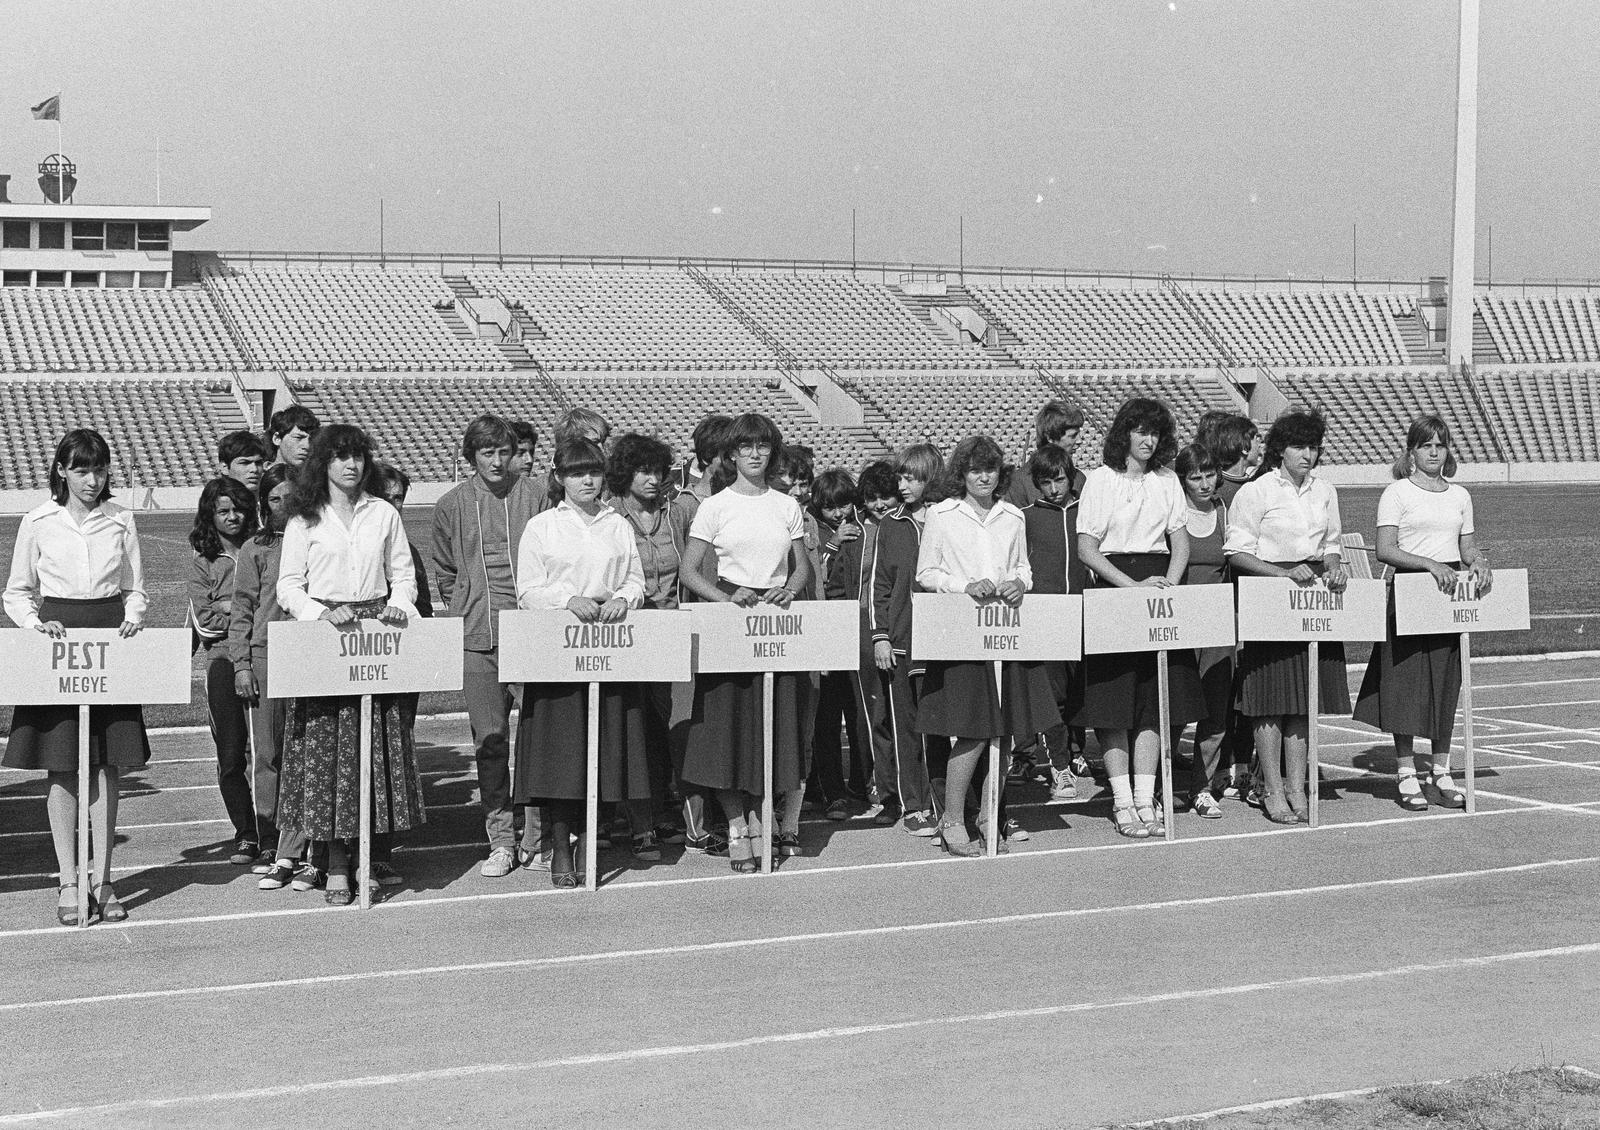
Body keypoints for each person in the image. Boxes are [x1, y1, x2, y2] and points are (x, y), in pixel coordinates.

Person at [4, 429, 148, 925]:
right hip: (58, 641)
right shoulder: (38, 521)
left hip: (109, 641)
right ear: (62, 471)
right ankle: (69, 879)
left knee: (106, 766)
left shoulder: (121, 519)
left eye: (100, 469)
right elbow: (17, 591)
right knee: (62, 765)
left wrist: (133, 616)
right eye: (82, 469)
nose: (92, 479)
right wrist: (34, 624)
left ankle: (103, 879)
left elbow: (134, 588)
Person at [276, 424, 424, 905]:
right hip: (325, 636)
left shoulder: (383, 513)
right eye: (340, 456)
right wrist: (320, 613)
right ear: (324, 463)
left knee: (371, 752)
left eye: (358, 456)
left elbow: (403, 575)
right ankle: (336, 861)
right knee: (326, 755)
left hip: (374, 635)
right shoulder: (305, 519)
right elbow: (289, 586)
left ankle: (366, 857)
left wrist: (397, 604)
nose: (351, 465)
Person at [678, 413, 812, 874]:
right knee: (726, 734)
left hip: (775, 622)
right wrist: (727, 598)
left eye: (763, 446)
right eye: (746, 447)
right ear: (732, 454)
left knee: (771, 729)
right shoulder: (714, 507)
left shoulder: (786, 505)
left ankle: (762, 820)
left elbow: (800, 567)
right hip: (731, 620)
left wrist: (789, 590)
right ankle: (737, 825)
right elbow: (689, 571)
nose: (755, 454)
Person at [916, 435, 1060, 856]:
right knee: (974, 733)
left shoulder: (1012, 516)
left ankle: (988, 814)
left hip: (1005, 632)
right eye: (975, 470)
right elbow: (927, 573)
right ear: (961, 474)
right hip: (962, 633)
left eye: (990, 469)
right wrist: (963, 585)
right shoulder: (942, 514)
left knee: (1005, 732)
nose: (983, 477)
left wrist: (1019, 583)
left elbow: (1024, 568)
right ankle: (952, 819)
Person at [514, 438, 648, 888]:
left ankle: (590, 840)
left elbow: (635, 579)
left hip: (607, 648)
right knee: (561, 756)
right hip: (559, 651)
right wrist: (567, 599)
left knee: (605, 749)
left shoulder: (617, 524)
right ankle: (559, 843)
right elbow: (528, 590)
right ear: (559, 477)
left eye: (593, 472)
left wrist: (623, 599)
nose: (587, 481)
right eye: (576, 473)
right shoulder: (542, 526)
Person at [1074, 397, 1205, 839]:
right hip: (1115, 587)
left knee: (1154, 700)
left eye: (1155, 433)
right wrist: (1131, 588)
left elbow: (1179, 542)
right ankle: (1122, 800)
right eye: (1140, 431)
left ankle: (1146, 798)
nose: (1148, 440)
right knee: (1113, 704)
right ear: (1124, 434)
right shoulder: (1100, 479)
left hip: (1157, 585)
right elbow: (1087, 549)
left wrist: (1167, 585)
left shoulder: (1167, 480)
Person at [1354, 415, 1492, 811]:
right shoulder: (1397, 492)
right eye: (1426, 445)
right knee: (1405, 686)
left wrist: (1479, 561)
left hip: (1448, 596)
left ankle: (1441, 771)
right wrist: (1429, 564)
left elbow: (1466, 547)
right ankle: (1405, 772)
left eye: (1440, 445)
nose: (1434, 452)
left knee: (1445, 684)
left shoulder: (1460, 495)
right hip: (1411, 590)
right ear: (1411, 451)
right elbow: (1386, 549)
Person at [431, 415, 545, 878]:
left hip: (532, 636)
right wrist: (466, 602)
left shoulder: (537, 495)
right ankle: (501, 839)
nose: (497, 462)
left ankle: (536, 837)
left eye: (504, 452)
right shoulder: (451, 504)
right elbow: (444, 570)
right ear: (471, 457)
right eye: (487, 453)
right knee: (490, 741)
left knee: (538, 739)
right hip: (478, 638)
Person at [1225, 408, 1350, 825]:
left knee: (1302, 702)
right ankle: (1272, 788)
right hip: (1270, 594)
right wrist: (1281, 574)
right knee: (1269, 702)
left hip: (1312, 596)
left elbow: (1331, 544)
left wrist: (1334, 567)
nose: (1307, 455)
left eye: (1313, 447)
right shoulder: (1256, 491)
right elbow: (1237, 552)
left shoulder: (1325, 490)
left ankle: (1297, 787)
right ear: (1280, 449)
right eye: (1299, 446)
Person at [607, 432, 696, 860]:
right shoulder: (610, 517)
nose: (653, 479)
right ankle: (639, 823)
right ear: (625, 474)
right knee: (634, 728)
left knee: (669, 728)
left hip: (671, 630)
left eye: (658, 471)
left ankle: (665, 814)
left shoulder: (676, 515)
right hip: (627, 633)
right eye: (643, 470)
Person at [234, 464, 321, 892]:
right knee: (267, 754)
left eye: (290, 497)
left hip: (308, 654)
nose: (283, 505)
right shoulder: (255, 548)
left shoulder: (316, 538)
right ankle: (271, 837)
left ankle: (304, 844)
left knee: (306, 751)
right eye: (274, 499)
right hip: (266, 656)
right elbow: (242, 609)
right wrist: (242, 663)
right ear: (263, 503)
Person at [187, 476, 263, 865]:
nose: (233, 517)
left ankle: (273, 830)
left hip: (262, 657)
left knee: (268, 750)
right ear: (210, 515)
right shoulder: (203, 561)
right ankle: (246, 832)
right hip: (221, 661)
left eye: (239, 509)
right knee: (231, 754)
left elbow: (273, 607)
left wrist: (231, 607)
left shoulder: (262, 548)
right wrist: (245, 611)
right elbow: (204, 623)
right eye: (223, 511)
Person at [870, 443, 945, 837]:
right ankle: (913, 805)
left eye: (911, 477)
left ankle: (946, 803)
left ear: (930, 478)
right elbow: (879, 586)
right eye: (900, 477)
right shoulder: (890, 525)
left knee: (942, 728)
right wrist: (880, 637)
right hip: (900, 642)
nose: (902, 485)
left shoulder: (950, 518)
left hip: (944, 640)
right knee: (906, 729)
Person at [1021, 443, 1088, 803]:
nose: (1053, 489)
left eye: (1059, 480)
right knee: (1053, 697)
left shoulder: (1087, 512)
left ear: (1070, 478)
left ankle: (1079, 753)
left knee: (1083, 693)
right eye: (1045, 483)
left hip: (1086, 613)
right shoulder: (1025, 517)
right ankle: (1059, 765)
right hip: (1045, 616)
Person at [1172, 443, 1234, 819]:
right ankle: (1159, 784)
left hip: (1216, 622)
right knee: (1175, 708)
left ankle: (1201, 787)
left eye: (1210, 474)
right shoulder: (1173, 512)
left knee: (1215, 710)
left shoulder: (1224, 512)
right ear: (1183, 480)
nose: (1205, 483)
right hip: (1179, 622)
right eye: (1196, 477)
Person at [807, 469, 871, 824]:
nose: (838, 513)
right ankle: (832, 791)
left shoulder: (863, 526)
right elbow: (811, 576)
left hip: (856, 625)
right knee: (827, 717)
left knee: (860, 711)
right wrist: (831, 545)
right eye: (830, 507)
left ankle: (862, 783)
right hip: (826, 626)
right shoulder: (812, 528)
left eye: (844, 505)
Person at [1005, 399, 1086, 508]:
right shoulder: (1019, 483)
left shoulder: (1079, 479)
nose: (1080, 441)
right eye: (1073, 435)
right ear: (1050, 437)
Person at [1198, 411, 1262, 507]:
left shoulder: (1255, 485)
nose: (1259, 445)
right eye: (1256, 439)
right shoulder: (1213, 489)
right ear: (1245, 448)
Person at [266, 404, 319, 470]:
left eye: (311, 439)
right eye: (298, 438)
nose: (307, 446)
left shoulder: (317, 475)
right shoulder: (257, 474)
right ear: (277, 439)